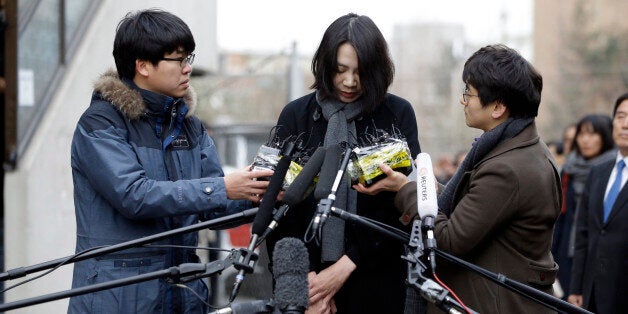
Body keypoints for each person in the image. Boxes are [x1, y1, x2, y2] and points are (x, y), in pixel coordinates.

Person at [68, 9, 273, 313]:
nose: (188, 69)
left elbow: (216, 207)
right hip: (117, 296)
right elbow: (134, 196)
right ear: (143, 66)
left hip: (183, 291)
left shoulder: (190, 126)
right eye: (179, 60)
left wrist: (261, 194)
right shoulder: (100, 123)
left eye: (189, 57)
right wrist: (221, 188)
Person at [355, 44, 561, 313]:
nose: (463, 100)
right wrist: (417, 187)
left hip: (496, 303)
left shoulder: (507, 168)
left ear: (498, 107)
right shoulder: (518, 149)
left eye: (469, 93)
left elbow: (448, 240)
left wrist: (408, 190)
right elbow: (474, 206)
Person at [267, 13, 421, 313]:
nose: (349, 82)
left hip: (376, 279)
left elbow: (400, 207)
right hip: (306, 290)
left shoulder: (396, 115)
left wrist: (343, 268)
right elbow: (279, 205)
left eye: (360, 72)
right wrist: (308, 285)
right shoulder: (295, 116)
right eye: (340, 70)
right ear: (325, 65)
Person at [568, 93, 628, 313]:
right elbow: (584, 234)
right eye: (620, 116)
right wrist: (576, 287)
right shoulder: (598, 172)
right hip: (592, 292)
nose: (625, 124)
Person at [552, 114, 615, 300]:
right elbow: (561, 216)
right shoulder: (568, 171)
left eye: (592, 134)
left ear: (605, 136)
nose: (585, 140)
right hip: (566, 251)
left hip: (598, 255)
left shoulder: (613, 172)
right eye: (582, 134)